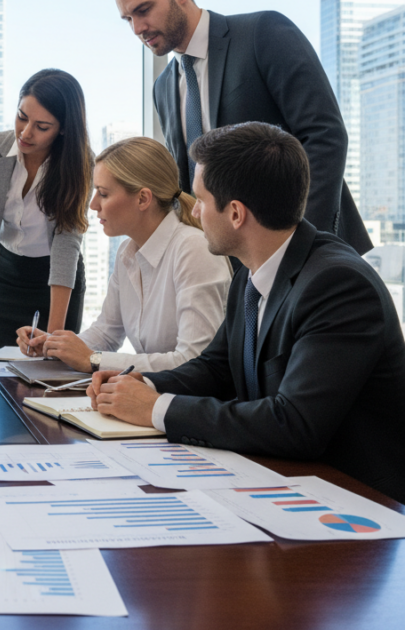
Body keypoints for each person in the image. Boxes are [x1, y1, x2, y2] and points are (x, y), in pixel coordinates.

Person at [88, 122, 405, 503]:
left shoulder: (338, 285)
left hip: (356, 507)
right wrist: (142, 385)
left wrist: (157, 409)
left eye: (201, 201)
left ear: (236, 213)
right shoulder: (250, 274)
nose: (195, 212)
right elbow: (215, 368)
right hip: (283, 483)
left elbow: (295, 424)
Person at [104, 0, 371, 255]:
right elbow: (186, 186)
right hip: (226, 265)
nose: (137, 29)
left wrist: (301, 245)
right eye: (128, 19)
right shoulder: (163, 87)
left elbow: (325, 135)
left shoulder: (262, 34)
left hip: (309, 256)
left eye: (143, 10)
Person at [18, 136, 230, 372]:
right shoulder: (126, 253)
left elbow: (193, 361)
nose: (93, 204)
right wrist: (54, 346)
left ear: (143, 199)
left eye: (104, 193)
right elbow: (106, 332)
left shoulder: (193, 249)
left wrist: (93, 360)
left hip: (184, 403)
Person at [0, 69, 92, 349]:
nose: (25, 132)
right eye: (22, 117)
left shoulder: (81, 164)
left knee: (51, 369)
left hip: (58, 279)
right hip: (8, 273)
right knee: (6, 369)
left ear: (64, 128)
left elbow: (66, 245)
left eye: (42, 126)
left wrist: (54, 333)